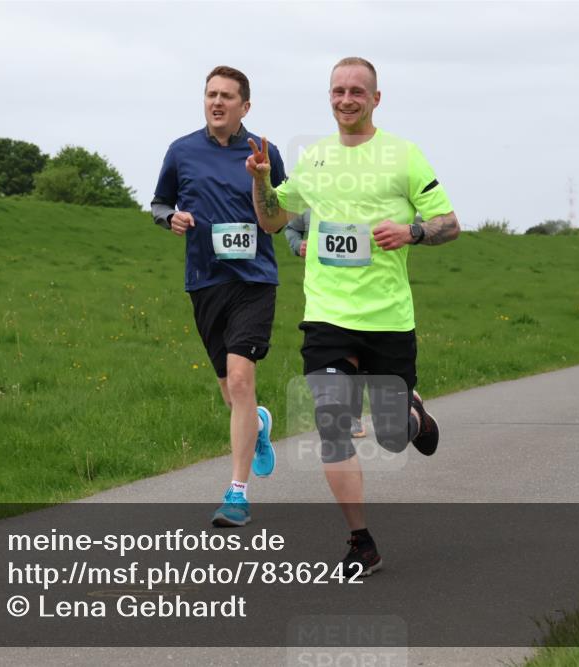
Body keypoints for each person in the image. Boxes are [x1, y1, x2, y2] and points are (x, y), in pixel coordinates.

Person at [245, 57, 460, 576]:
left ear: (376, 99)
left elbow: (449, 224)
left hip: (387, 317)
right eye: (338, 90)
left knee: (390, 437)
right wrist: (261, 180)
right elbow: (273, 218)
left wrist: (410, 233)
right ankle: (361, 541)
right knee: (332, 427)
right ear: (330, 96)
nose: (346, 99)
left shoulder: (404, 156)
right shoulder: (315, 159)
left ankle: (413, 416)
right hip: (326, 315)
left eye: (357, 91)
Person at [152, 66, 286, 527]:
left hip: (254, 280)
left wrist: (262, 179)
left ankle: (237, 493)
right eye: (211, 94)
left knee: (242, 380)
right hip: (205, 282)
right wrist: (170, 218)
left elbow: (278, 218)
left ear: (245, 106)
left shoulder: (265, 153)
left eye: (227, 96)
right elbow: (159, 203)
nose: (217, 102)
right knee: (232, 394)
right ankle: (260, 424)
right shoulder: (181, 151)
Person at [285, 209, 368, 438]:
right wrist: (297, 244)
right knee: (334, 356)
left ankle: (354, 413)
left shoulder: (368, 191)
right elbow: (291, 227)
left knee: (357, 355)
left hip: (365, 288)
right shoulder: (312, 199)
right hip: (325, 293)